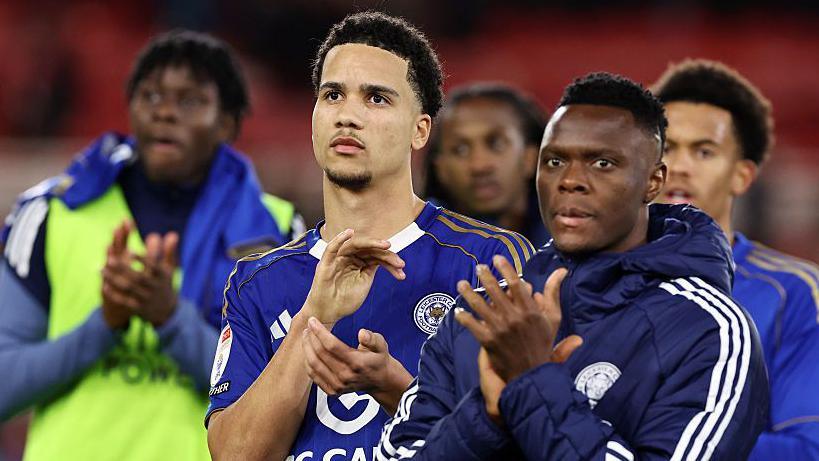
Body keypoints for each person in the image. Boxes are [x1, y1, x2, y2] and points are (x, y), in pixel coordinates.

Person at [378, 72, 769, 460]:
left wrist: (533, 381)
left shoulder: (709, 330)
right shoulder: (483, 315)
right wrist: (487, 417)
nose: (570, 180)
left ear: (653, 181)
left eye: (602, 163)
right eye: (554, 161)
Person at [205, 11, 534, 461]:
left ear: (420, 131)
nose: (348, 116)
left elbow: (522, 437)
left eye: (376, 99)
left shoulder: (490, 259)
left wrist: (399, 391)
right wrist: (312, 317)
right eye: (333, 95)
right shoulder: (256, 283)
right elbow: (234, 456)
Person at [0, 30, 302, 461]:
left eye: (190, 101)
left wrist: (169, 320)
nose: (164, 113)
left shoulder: (279, 232)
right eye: (150, 96)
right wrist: (104, 325)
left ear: (228, 122)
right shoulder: (52, 213)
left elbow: (283, 402)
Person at [653, 59, 819, 459]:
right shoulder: (594, 280)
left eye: (704, 151)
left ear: (742, 176)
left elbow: (808, 450)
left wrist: (664, 444)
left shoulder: (794, 293)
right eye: (667, 148)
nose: (679, 167)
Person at [423, 83, 550, 247]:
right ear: (441, 169)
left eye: (496, 145)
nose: (479, 166)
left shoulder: (579, 237)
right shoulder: (407, 246)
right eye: (460, 150)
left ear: (530, 158)